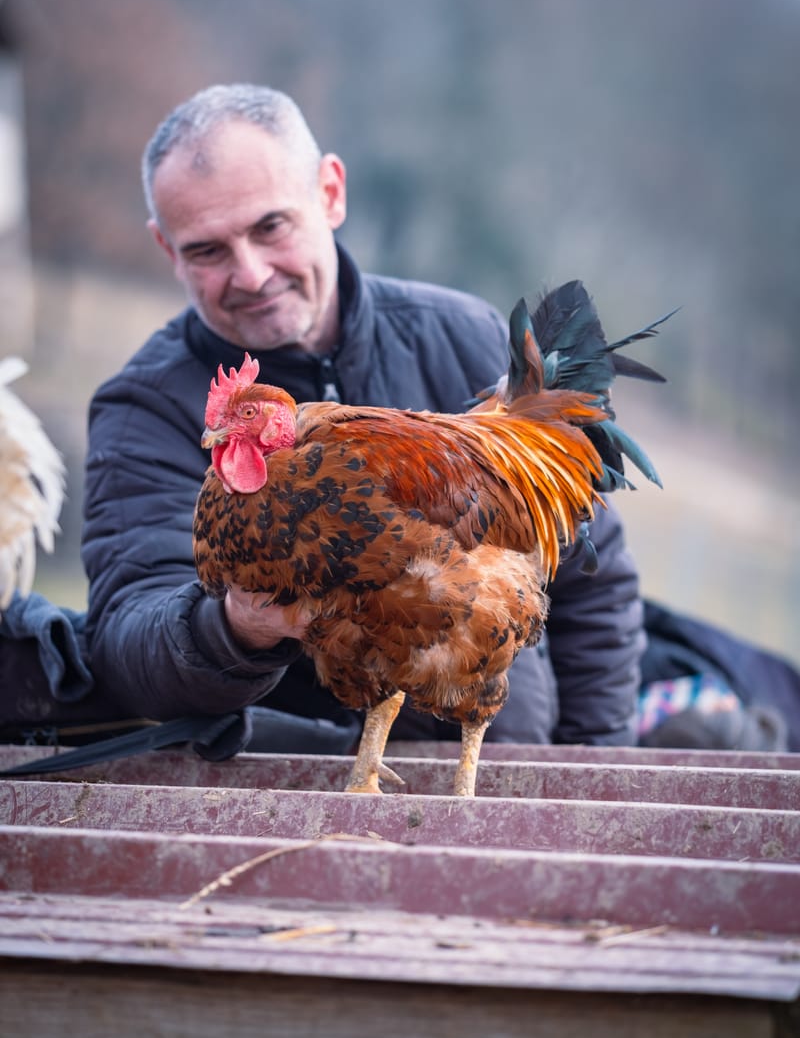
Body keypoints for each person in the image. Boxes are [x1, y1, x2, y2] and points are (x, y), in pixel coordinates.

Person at [77, 82, 645, 758]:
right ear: (167, 250)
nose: (252, 274)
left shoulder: (459, 334)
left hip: (500, 765)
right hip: (290, 782)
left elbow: (595, 586)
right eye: (207, 250)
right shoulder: (145, 409)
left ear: (331, 194)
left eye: (270, 226)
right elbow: (126, 637)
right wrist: (237, 627)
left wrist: (585, 776)